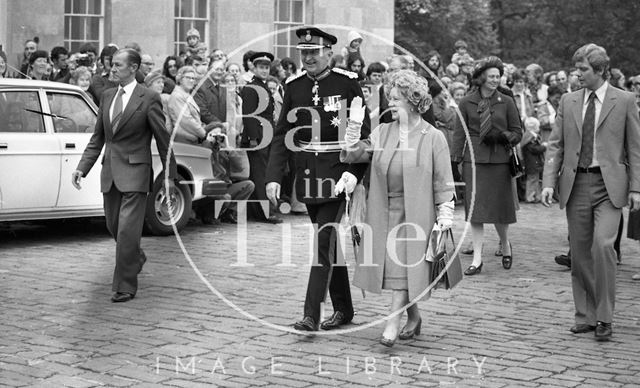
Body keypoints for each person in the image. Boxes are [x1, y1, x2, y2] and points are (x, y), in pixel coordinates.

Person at [265, 26, 370, 332]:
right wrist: (273, 177)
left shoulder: (347, 84)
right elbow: (282, 134)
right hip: (309, 174)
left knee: (323, 239)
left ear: (328, 53)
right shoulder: (294, 86)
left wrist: (354, 174)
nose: (309, 58)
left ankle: (311, 313)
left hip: (339, 173)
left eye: (314, 52)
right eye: (304, 53)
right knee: (329, 242)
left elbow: (363, 137)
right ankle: (344, 309)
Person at [339, 69, 455, 346]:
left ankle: (392, 322)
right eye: (389, 99)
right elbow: (353, 153)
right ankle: (413, 317)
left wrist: (445, 212)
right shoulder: (382, 132)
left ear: (413, 102)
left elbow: (443, 179)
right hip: (383, 211)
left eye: (395, 99)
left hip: (417, 213)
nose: (390, 104)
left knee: (404, 267)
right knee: (394, 269)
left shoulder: (432, 136)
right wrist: (354, 125)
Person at [541, 43, 640, 341]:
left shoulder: (624, 100)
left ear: (600, 70)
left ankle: (605, 316)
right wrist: (548, 182)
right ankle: (585, 315)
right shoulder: (568, 101)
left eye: (583, 69)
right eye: (576, 68)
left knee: (602, 246)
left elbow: (635, 148)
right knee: (581, 253)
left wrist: (637, 188)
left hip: (609, 187)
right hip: (576, 183)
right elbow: (555, 145)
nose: (577, 74)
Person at [72, 48, 176, 303]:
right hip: (110, 173)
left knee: (128, 232)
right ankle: (135, 258)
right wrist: (81, 168)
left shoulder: (149, 98)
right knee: (114, 228)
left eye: (118, 65)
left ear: (133, 68)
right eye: (112, 65)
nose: (112, 69)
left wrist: (169, 178)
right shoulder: (107, 96)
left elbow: (165, 141)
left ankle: (125, 285)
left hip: (136, 173)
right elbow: (99, 138)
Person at [451, 56, 523, 275]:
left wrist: (503, 137)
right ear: (481, 78)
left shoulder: (507, 101)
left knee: (501, 210)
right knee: (476, 212)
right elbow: (459, 133)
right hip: (474, 161)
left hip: (500, 161)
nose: (495, 80)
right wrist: (455, 159)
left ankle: (505, 244)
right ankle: (477, 258)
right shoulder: (466, 102)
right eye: (491, 76)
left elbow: (518, 132)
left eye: (498, 76)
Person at [241, 52, 282, 224]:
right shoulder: (252, 87)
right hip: (257, 139)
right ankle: (264, 213)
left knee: (261, 174)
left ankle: (257, 211)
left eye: (267, 67)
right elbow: (249, 116)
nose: (264, 70)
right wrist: (253, 139)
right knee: (259, 176)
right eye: (261, 67)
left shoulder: (262, 85)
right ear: (254, 68)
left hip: (266, 137)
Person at [521, 117, 546, 203]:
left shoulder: (529, 137)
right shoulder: (530, 138)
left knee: (535, 179)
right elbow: (534, 149)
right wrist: (544, 147)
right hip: (532, 163)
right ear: (534, 127)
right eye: (538, 127)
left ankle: (536, 196)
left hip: (533, 162)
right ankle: (529, 196)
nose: (539, 129)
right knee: (532, 180)